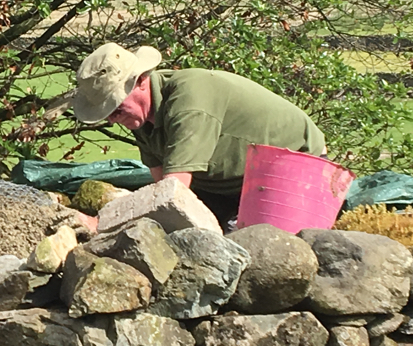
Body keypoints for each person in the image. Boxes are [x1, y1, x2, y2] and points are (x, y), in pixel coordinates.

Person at [73, 42, 326, 225]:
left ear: (141, 80)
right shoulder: (140, 118)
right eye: (106, 112)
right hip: (223, 184)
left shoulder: (189, 100)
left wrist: (103, 223)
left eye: (115, 107)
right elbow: (161, 189)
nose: (112, 118)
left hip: (294, 170)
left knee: (263, 255)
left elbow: (172, 192)